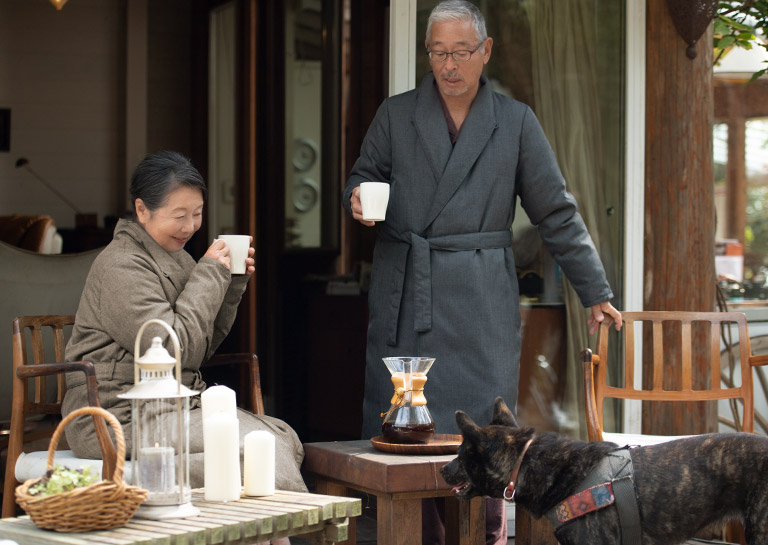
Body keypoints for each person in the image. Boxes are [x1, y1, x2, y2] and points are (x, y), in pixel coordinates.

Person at [341, 1, 623, 543]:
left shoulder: (514, 122)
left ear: (485, 52)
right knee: (407, 434)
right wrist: (356, 198)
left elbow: (555, 211)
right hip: (409, 291)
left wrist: (594, 290)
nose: (449, 65)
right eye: (438, 53)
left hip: (479, 300)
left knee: (487, 437)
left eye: (461, 53)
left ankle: (485, 537)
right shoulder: (396, 115)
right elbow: (363, 175)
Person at [62, 151, 306, 544]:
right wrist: (210, 272)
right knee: (250, 450)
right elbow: (178, 351)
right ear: (142, 210)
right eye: (179, 215)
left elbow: (202, 346)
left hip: (172, 408)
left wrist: (231, 284)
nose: (191, 226)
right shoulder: (121, 266)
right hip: (116, 416)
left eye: (197, 213)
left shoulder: (173, 259)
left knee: (273, 440)